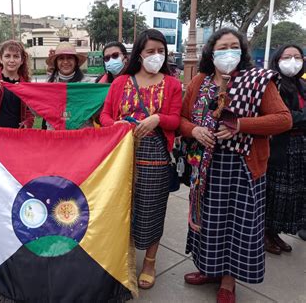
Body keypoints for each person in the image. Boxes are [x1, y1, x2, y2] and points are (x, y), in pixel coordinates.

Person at [179, 28, 292, 303]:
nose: (228, 52)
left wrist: (240, 125)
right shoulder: (199, 82)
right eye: (222, 47)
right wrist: (194, 130)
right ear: (212, 52)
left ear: (241, 52)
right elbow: (181, 119)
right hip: (206, 166)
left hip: (242, 167)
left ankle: (228, 282)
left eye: (234, 46)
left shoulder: (257, 82)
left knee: (236, 225)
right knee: (208, 222)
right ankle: (209, 269)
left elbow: (283, 119)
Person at [100, 29, 182, 290]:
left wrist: (158, 118)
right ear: (139, 53)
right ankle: (121, 258)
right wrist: (117, 123)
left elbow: (176, 120)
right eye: (150, 51)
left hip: (155, 157)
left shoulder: (172, 84)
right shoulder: (120, 82)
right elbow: (104, 117)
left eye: (161, 51)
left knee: (152, 210)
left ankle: (149, 261)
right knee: (120, 209)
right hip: (121, 156)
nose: (156, 56)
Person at [264, 44, 305, 254]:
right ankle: (266, 233)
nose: (292, 61)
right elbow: (284, 118)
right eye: (287, 57)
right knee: (277, 193)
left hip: (299, 147)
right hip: (280, 147)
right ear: (277, 59)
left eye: (297, 57)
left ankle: (276, 232)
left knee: (292, 195)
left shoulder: (301, 84)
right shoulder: (274, 84)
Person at [42, 42, 89, 129]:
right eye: (61, 58)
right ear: (56, 62)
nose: (65, 62)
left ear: (76, 61)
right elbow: (37, 112)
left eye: (70, 58)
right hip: (55, 136)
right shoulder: (48, 84)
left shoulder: (87, 84)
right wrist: (24, 92)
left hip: (81, 135)